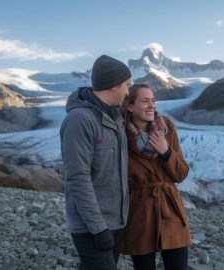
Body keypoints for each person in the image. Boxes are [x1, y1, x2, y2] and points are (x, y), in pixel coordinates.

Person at [60, 55, 131, 270]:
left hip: (115, 221)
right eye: (127, 85)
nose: (128, 92)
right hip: (92, 226)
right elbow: (77, 178)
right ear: (113, 86)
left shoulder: (115, 118)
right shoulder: (79, 120)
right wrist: (98, 228)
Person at [121, 84, 191, 270]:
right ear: (129, 105)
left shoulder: (166, 127)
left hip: (170, 211)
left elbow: (181, 174)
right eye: (145, 101)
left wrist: (166, 152)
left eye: (153, 101)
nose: (151, 105)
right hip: (139, 213)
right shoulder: (119, 134)